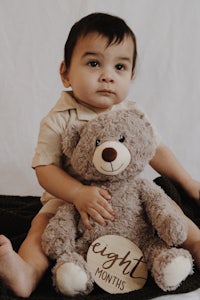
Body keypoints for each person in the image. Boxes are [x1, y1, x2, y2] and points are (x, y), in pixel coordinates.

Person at [0, 12, 199, 298]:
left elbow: (156, 151)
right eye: (94, 63)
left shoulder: (132, 114)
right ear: (65, 72)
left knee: (171, 210)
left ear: (131, 75)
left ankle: (195, 245)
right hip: (69, 200)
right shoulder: (59, 119)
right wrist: (78, 193)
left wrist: (189, 183)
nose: (107, 75)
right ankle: (27, 272)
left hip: (130, 197)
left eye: (120, 66)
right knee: (41, 229)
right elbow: (44, 169)